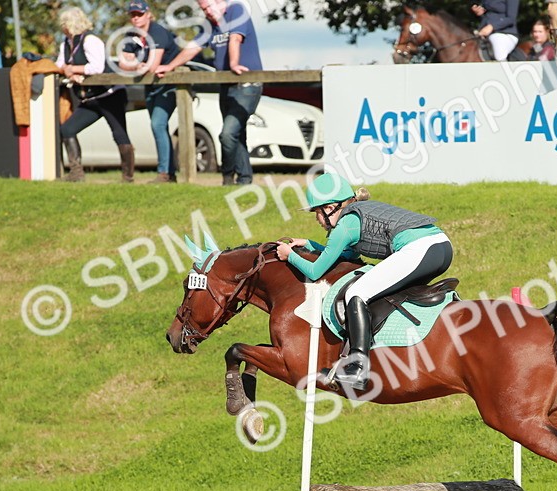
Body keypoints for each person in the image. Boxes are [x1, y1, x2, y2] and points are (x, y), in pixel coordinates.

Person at [274, 174, 454, 392]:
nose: (317, 220)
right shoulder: (354, 216)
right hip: (441, 247)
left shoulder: (344, 225)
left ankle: (357, 365)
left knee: (356, 293)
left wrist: (289, 255)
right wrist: (310, 244)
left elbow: (315, 271)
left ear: (330, 207)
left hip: (419, 250)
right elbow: (346, 253)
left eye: (317, 213)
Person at [155, 0, 263, 186]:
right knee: (237, 135)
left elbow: (235, 39)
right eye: (204, 9)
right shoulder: (210, 26)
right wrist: (170, 66)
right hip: (226, 86)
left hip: (247, 84)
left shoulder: (236, 10)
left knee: (228, 134)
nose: (208, 12)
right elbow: (193, 48)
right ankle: (244, 179)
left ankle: (228, 176)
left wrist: (234, 64)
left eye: (209, 7)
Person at [56, 8, 134, 183]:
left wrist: (73, 69)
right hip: (89, 99)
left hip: (109, 95)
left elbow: (96, 67)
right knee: (67, 130)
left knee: (119, 133)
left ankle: (128, 177)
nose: (63, 28)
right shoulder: (65, 44)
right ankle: (76, 172)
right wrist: (68, 72)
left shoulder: (91, 40)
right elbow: (60, 64)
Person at [119, 0, 180, 183]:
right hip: (151, 86)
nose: (136, 18)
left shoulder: (158, 32)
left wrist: (136, 65)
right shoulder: (131, 35)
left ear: (148, 14)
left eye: (139, 14)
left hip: (167, 85)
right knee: (160, 127)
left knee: (158, 124)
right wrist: (138, 65)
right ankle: (169, 173)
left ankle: (164, 173)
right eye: (133, 15)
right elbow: (122, 62)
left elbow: (153, 66)